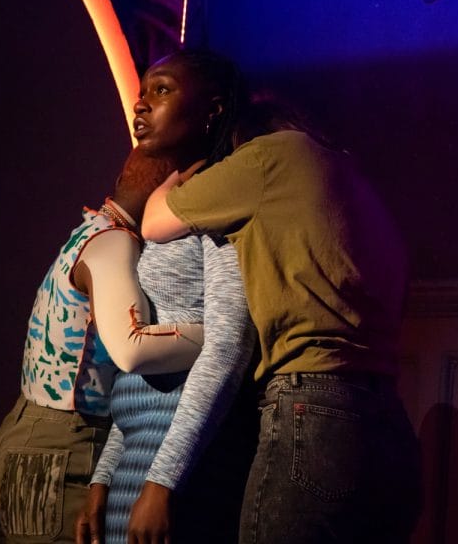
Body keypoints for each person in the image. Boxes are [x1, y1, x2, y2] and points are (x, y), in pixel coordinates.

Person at [142, 78, 423, 542]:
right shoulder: (353, 177)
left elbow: (155, 222)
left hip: (315, 408)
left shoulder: (268, 157)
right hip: (389, 423)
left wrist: (173, 180)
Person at [0, 146, 208, 544]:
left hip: (23, 438)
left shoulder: (88, 231)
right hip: (58, 452)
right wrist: (220, 336)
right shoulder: (113, 241)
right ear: (167, 187)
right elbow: (131, 348)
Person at [75, 49, 258, 544]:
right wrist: (102, 479)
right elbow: (148, 378)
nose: (141, 106)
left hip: (178, 467)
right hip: (135, 462)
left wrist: (163, 483)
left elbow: (226, 346)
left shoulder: (220, 206)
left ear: (213, 109)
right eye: (141, 94)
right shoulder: (173, 209)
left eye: (161, 90)